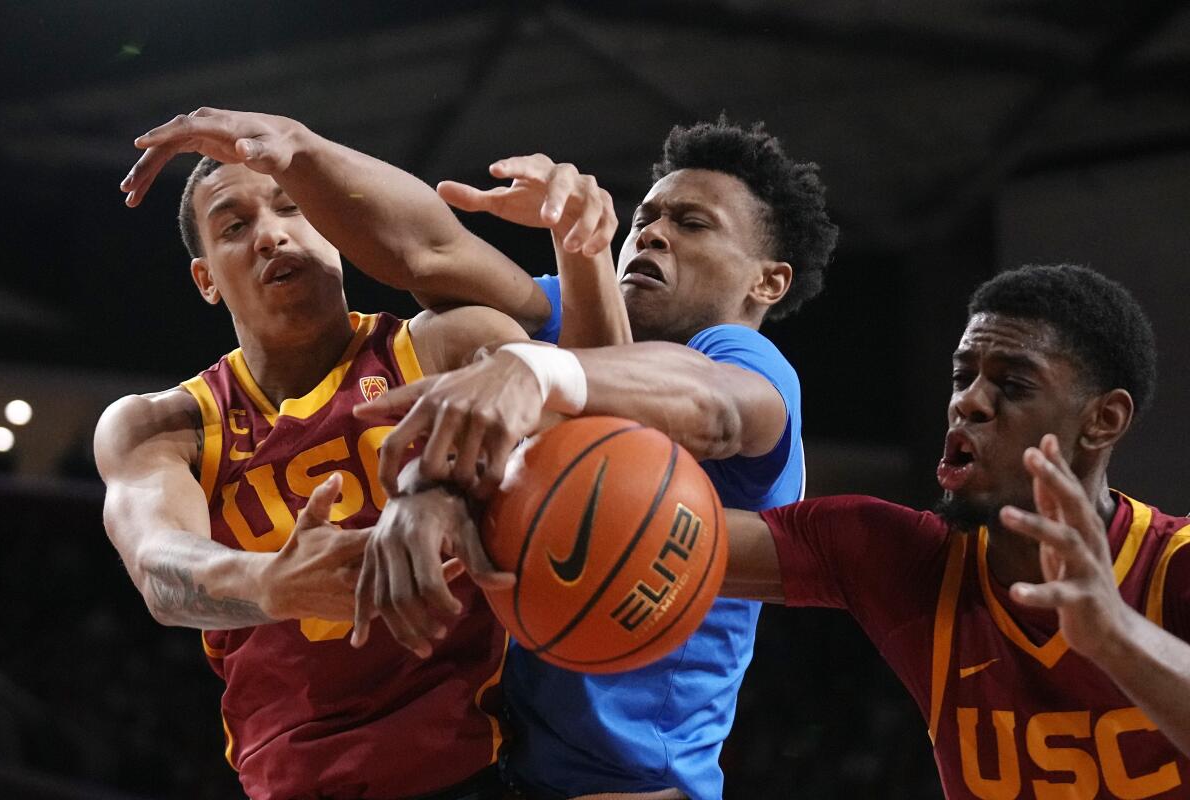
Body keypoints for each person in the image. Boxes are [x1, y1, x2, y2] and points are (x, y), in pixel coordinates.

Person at [99, 109, 622, 800]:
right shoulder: (163, 424)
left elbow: (606, 430)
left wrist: (584, 249)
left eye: (292, 207)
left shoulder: (443, 346)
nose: (272, 234)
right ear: (206, 279)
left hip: (473, 766)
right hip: (290, 781)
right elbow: (160, 569)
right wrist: (267, 583)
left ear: (334, 226)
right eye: (235, 226)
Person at [357, 117, 839, 800]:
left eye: (693, 224)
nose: (653, 232)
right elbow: (426, 255)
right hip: (504, 765)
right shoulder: (564, 311)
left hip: (631, 785)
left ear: (768, 283)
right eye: (647, 215)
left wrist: (535, 370)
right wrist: (293, 149)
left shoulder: (745, 360)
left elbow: (717, 408)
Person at [721, 264, 1190, 798]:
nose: (967, 402)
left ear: (1103, 420)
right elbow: (657, 541)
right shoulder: (907, 560)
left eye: (1013, 385)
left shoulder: (1175, 565)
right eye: (963, 377)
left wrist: (1113, 634)